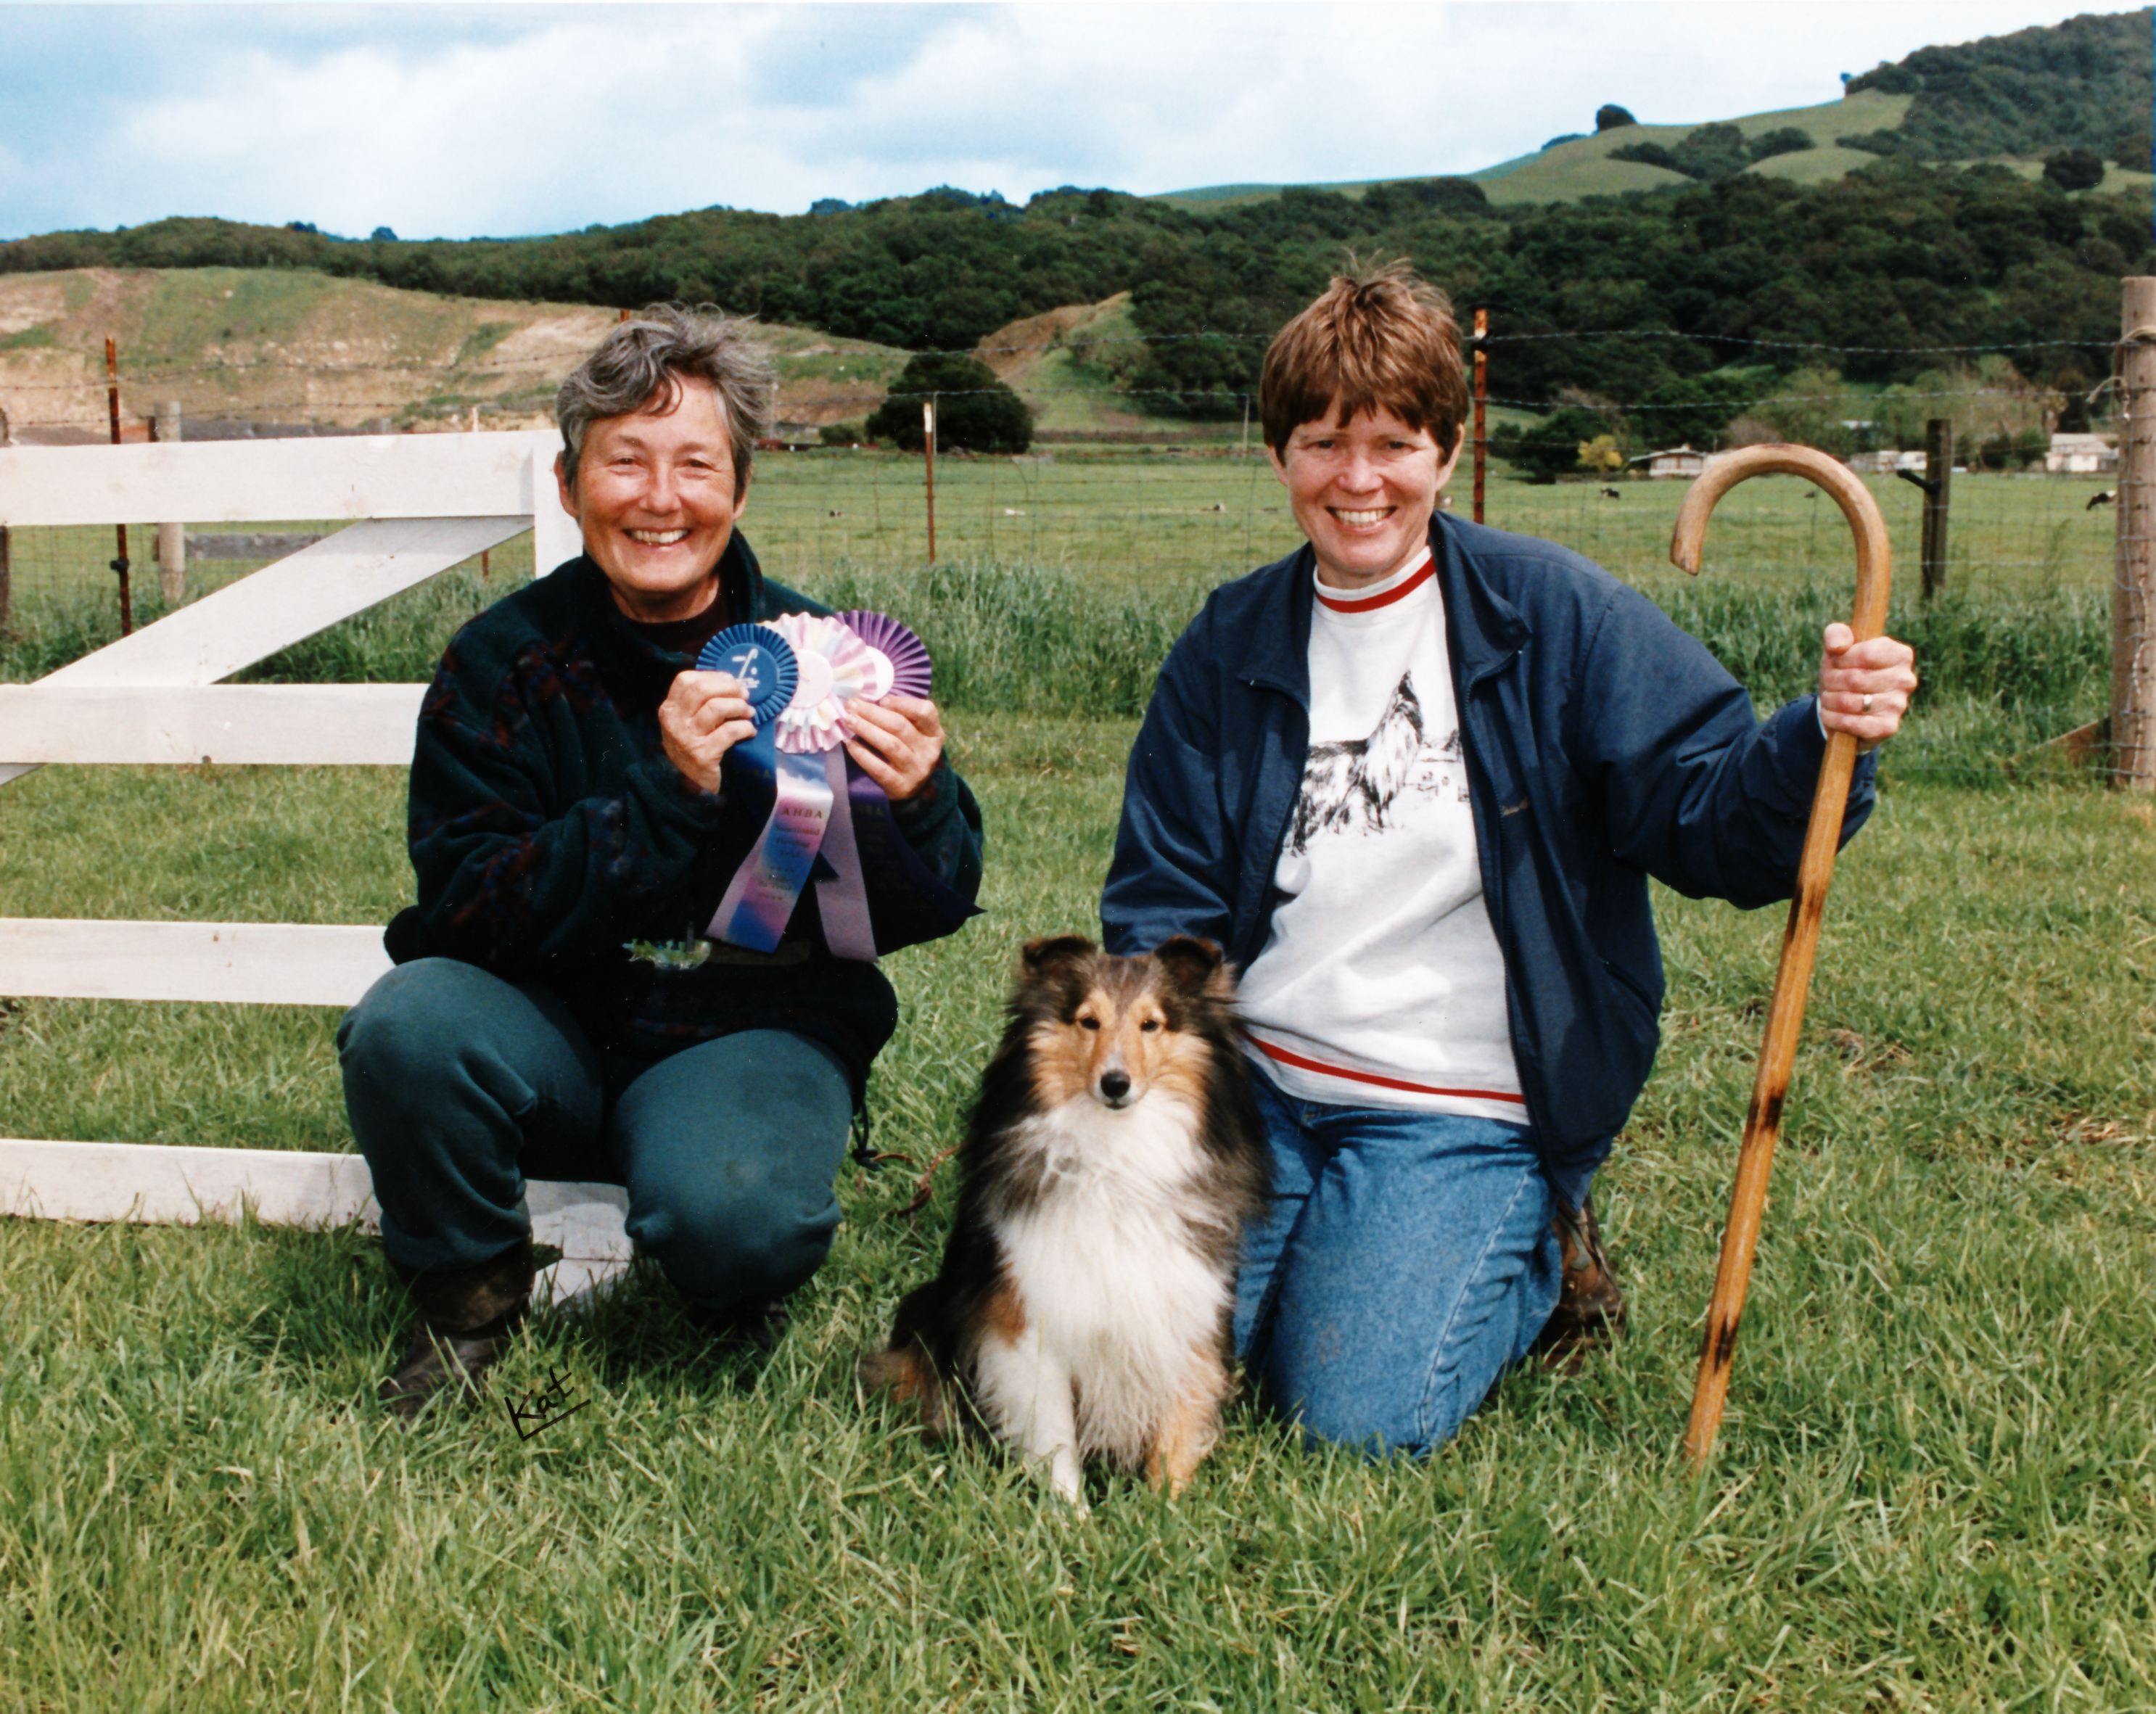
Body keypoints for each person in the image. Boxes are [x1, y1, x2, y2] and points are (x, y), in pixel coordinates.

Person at [1100, 263, 1916, 1457]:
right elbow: (1159, 898)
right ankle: (1334, 1233)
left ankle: (1537, 1239)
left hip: (1462, 1106)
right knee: (1138, 1394)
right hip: (1260, 1092)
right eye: (1325, 443)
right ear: (1279, 457)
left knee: (1350, 1422)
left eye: (1394, 442)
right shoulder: (1229, 643)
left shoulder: (1555, 617)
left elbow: (1713, 818)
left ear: (1446, 448)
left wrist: (1817, 734)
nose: (1359, 479)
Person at [340, 304, 984, 1415]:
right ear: (566, 482)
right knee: (408, 1023)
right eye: (623, 462)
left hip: (746, 1026)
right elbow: (461, 902)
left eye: (695, 463)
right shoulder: (498, 662)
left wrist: (924, 805)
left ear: (739, 487)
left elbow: (935, 903)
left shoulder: (823, 661)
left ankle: (722, 1268)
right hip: (548, 1022)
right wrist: (668, 798)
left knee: (738, 1215)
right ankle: (468, 1300)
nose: (660, 498)